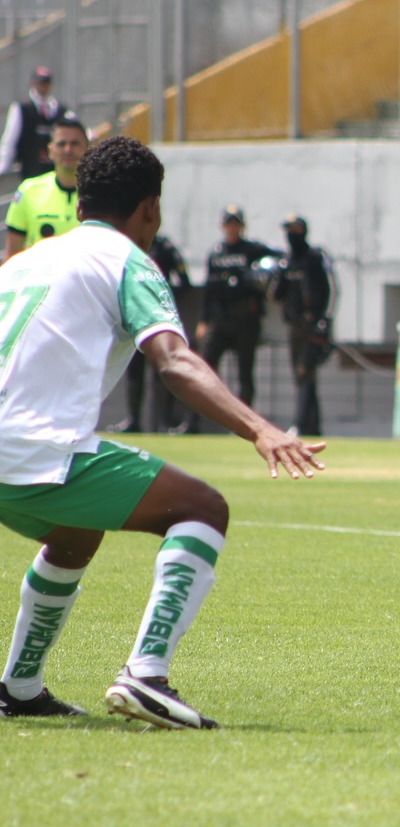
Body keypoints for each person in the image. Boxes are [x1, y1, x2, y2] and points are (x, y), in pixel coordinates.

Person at [0, 136, 324, 729]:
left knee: (76, 532)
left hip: (13, 455)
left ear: (79, 206)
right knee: (202, 507)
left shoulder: (20, 263)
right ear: (150, 209)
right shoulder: (128, 262)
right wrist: (260, 429)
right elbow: (173, 361)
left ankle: (18, 688)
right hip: (31, 452)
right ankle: (146, 676)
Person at [182, 206, 281, 434]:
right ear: (222, 226)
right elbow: (208, 290)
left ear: (242, 226)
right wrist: (203, 321)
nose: (232, 227)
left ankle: (244, 426)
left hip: (246, 320)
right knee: (203, 371)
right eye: (229, 223)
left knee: (245, 374)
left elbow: (279, 259)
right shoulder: (216, 253)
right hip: (220, 320)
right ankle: (193, 422)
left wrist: (263, 277)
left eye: (236, 223)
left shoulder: (253, 250)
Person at [118, 234, 191, 433]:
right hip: (133, 318)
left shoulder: (164, 248)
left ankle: (165, 422)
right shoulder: (126, 246)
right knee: (134, 372)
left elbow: (184, 282)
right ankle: (134, 420)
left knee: (163, 372)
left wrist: (161, 299)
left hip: (158, 319)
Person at [273, 215, 333, 437]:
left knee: (305, 371)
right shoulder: (287, 261)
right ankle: (313, 426)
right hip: (294, 325)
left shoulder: (314, 258)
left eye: (294, 230)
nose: (290, 235)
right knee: (302, 377)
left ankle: (299, 424)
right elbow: (277, 294)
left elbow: (331, 291)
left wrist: (324, 321)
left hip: (312, 326)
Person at [2, 117, 88, 262]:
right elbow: (11, 256)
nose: (68, 150)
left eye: (75, 143)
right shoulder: (28, 191)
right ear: (50, 150)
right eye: (61, 144)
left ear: (87, 148)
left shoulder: (102, 194)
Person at [0, 66, 75, 183]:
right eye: (40, 82)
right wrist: (3, 167)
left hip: (54, 173)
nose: (43, 86)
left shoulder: (59, 110)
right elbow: (10, 139)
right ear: (32, 83)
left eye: (46, 82)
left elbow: (77, 129)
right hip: (31, 171)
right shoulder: (22, 108)